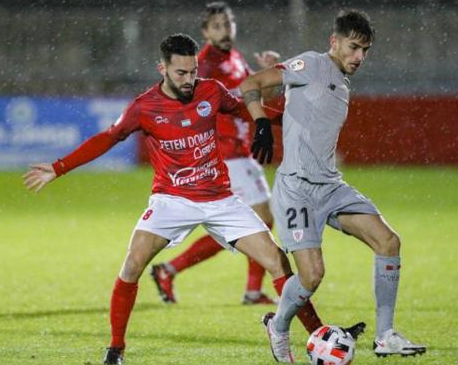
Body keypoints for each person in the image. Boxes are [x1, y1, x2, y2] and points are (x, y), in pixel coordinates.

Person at [22, 33, 327, 365]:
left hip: (220, 199)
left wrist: (282, 121)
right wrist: (59, 167)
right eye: (181, 73)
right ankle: (115, 349)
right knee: (133, 263)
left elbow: (243, 108)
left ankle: (321, 336)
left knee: (277, 262)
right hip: (172, 200)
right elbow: (108, 137)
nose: (189, 80)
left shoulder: (210, 91)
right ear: (162, 68)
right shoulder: (144, 107)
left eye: (193, 71)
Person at [240, 10, 427, 361]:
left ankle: (385, 335)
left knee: (388, 241)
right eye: (353, 47)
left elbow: (307, 117)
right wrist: (261, 123)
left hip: (329, 186)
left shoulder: (342, 83)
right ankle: (278, 325)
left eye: (365, 50)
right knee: (311, 276)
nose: (359, 57)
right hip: (296, 188)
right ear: (334, 42)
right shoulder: (311, 64)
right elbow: (250, 84)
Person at [149, 1, 282, 306]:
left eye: (228, 24)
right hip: (224, 154)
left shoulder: (235, 58)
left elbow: (258, 96)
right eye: (217, 26)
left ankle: (171, 269)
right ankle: (248, 289)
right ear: (206, 31)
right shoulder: (204, 64)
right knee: (257, 221)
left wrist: (269, 73)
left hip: (240, 152)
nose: (225, 30)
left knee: (248, 224)